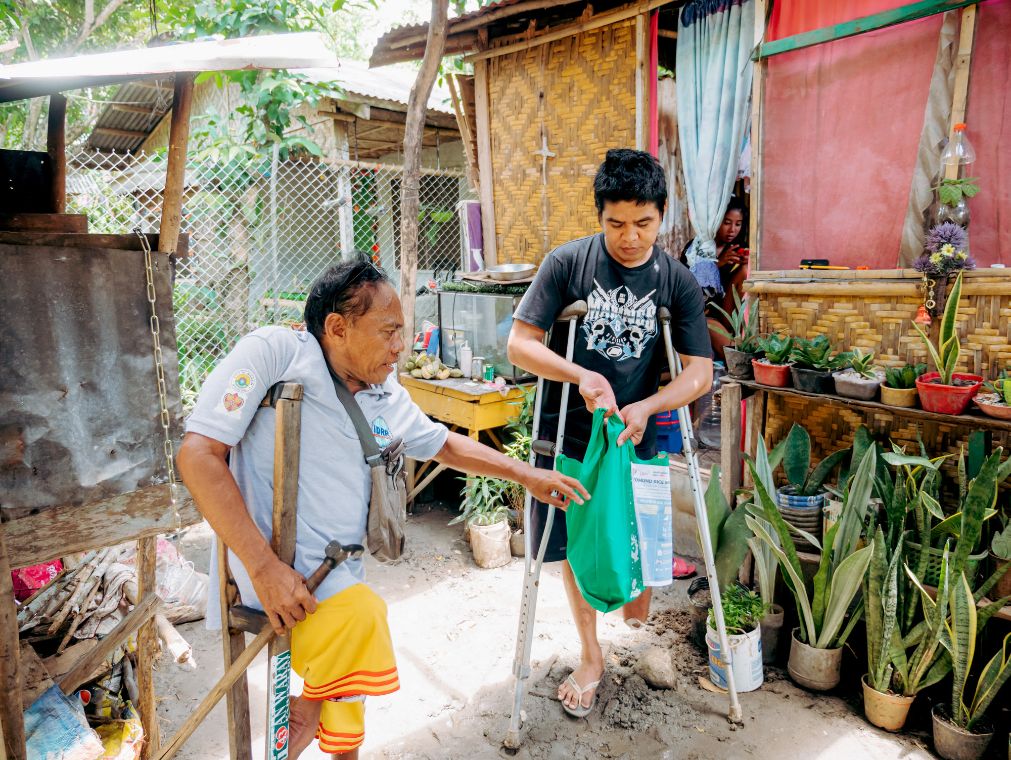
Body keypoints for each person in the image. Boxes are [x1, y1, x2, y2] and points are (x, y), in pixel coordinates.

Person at [177, 257, 589, 758]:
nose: (401, 346)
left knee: (355, 639)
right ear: (337, 328)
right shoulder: (272, 353)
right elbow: (198, 456)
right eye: (389, 331)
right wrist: (264, 568)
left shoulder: (384, 391)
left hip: (337, 578)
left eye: (404, 332)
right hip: (275, 576)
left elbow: (443, 445)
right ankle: (312, 710)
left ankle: (316, 709)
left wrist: (529, 476)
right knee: (364, 617)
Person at [507, 148, 714, 717]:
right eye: (615, 223)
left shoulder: (675, 279)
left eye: (643, 223)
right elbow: (519, 343)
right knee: (577, 544)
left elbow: (699, 372)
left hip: (637, 430)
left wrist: (649, 404)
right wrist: (580, 375)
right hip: (570, 432)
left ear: (663, 215)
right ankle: (590, 654)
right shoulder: (568, 263)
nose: (629, 237)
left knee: (636, 546)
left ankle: (631, 621)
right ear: (599, 216)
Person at [679, 196, 750, 360]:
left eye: (738, 224)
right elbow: (686, 284)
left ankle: (740, 332)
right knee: (731, 352)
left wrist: (747, 263)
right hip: (702, 313)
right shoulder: (696, 250)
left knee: (746, 271)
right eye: (727, 222)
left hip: (727, 313)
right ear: (716, 220)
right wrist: (720, 262)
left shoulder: (739, 248)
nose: (732, 229)